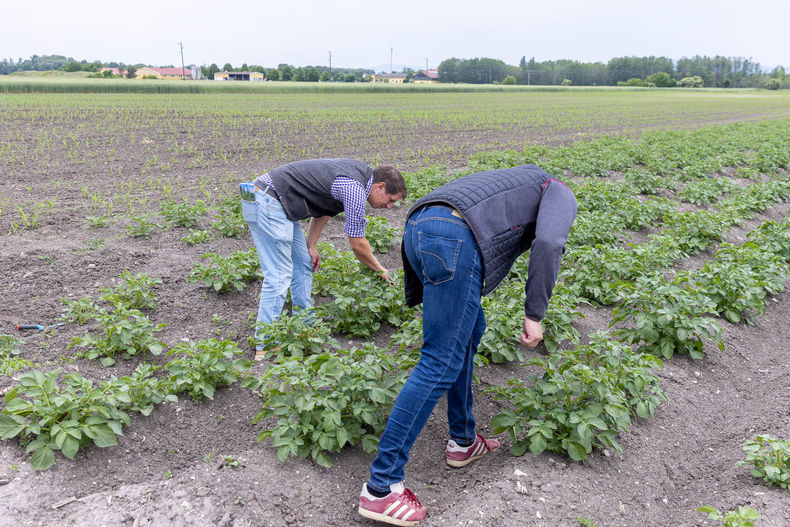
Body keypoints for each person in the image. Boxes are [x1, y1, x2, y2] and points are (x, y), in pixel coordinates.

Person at [358, 164, 577, 526]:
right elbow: (550, 243)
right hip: (453, 237)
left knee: (472, 329)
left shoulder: (523, 178)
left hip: (419, 226)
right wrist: (534, 314)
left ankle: (462, 441)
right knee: (439, 362)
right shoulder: (561, 192)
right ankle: (381, 488)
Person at [240, 158, 407, 360]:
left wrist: (311, 245)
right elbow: (357, 243)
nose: (389, 207)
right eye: (391, 199)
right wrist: (380, 269)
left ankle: (305, 327)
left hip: (275, 200)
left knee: (302, 262)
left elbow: (325, 211)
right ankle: (265, 345)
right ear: (380, 186)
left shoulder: (356, 177)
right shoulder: (355, 188)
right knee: (278, 274)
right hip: (268, 199)